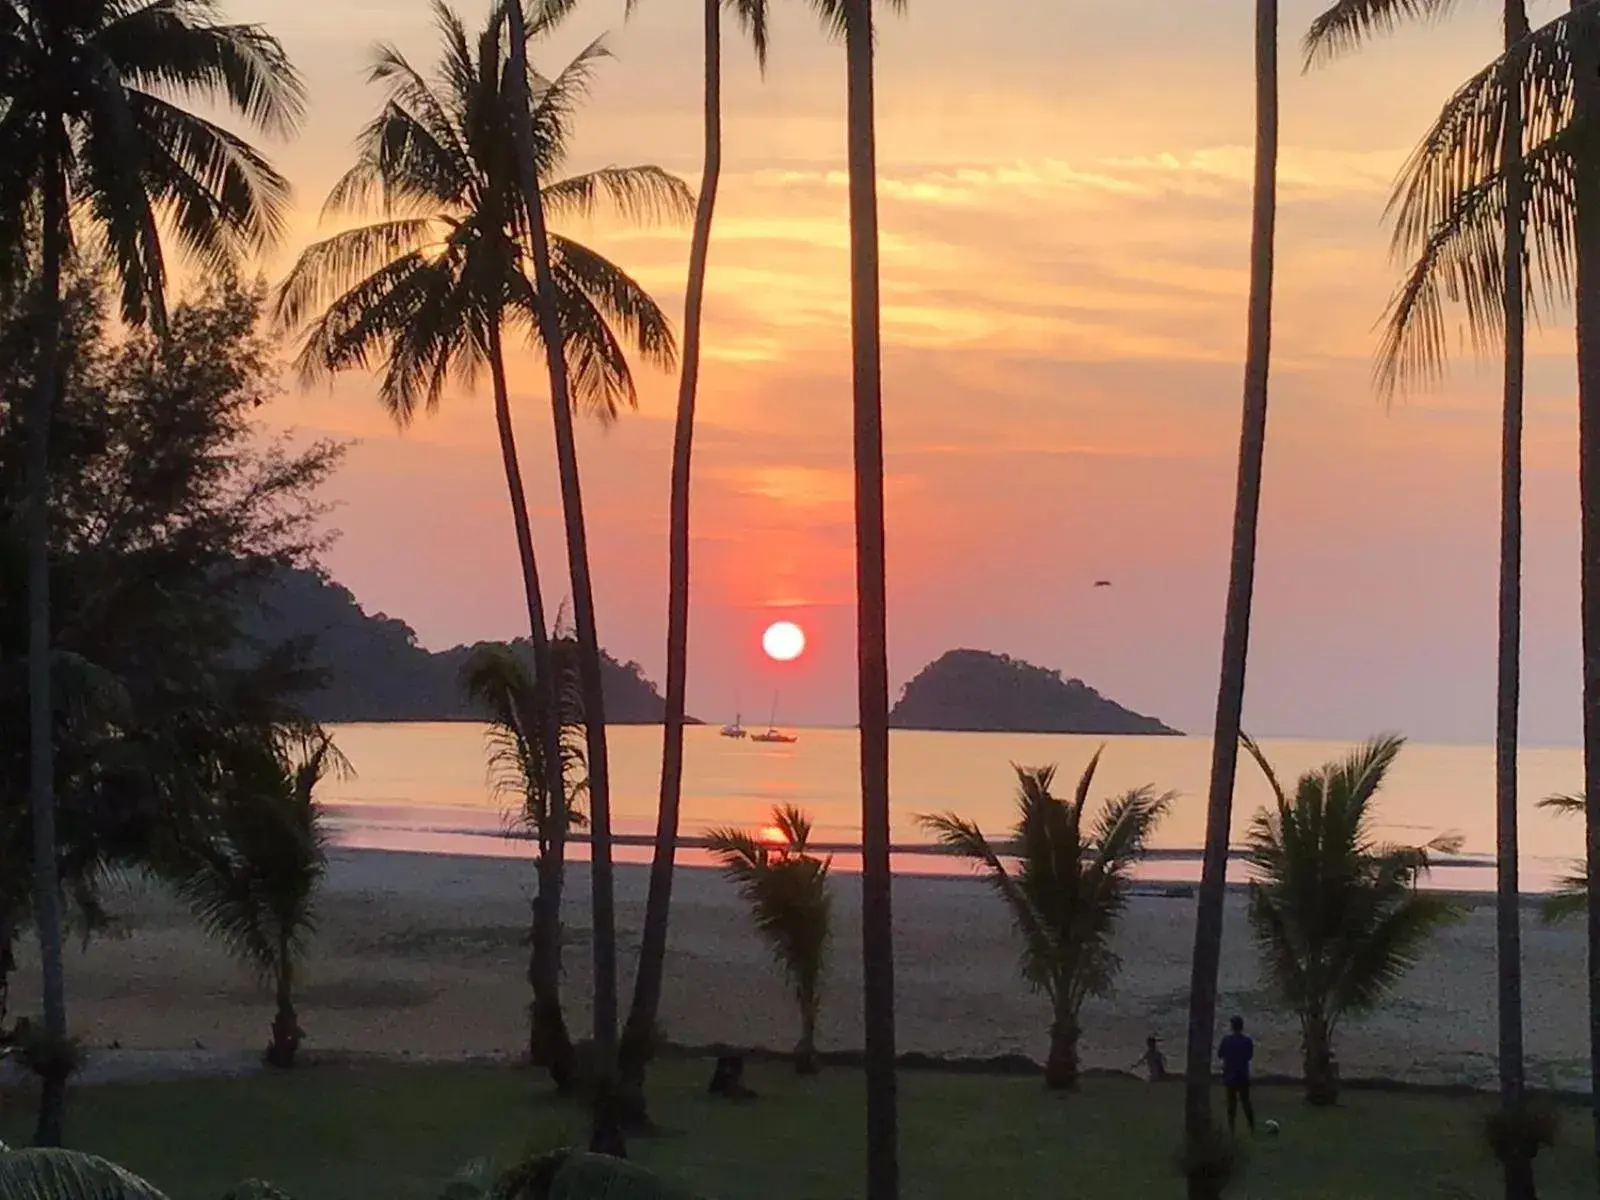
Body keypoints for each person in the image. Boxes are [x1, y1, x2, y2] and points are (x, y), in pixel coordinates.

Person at [1217, 1015, 1256, 1135]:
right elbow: (1250, 1056)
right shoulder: (1247, 1041)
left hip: (1230, 1075)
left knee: (1231, 1104)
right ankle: (1251, 1125)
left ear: (1232, 1027)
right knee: (1246, 1102)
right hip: (1243, 1075)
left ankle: (1231, 1128)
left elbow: (1220, 1054)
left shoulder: (1226, 1040)